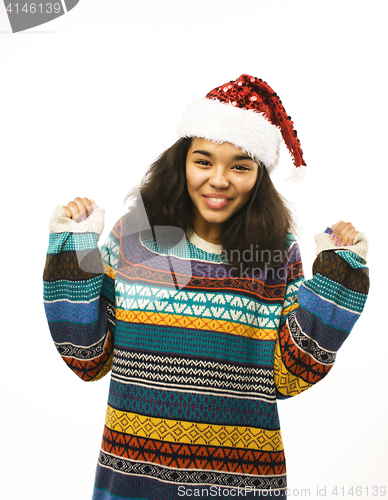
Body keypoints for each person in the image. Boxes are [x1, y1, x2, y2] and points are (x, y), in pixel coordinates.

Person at [43, 75, 369, 500]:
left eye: (240, 166)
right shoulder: (134, 236)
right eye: (203, 161)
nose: (219, 180)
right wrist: (75, 245)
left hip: (243, 483)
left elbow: (290, 377)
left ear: (259, 175)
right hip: (133, 482)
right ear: (181, 162)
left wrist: (336, 278)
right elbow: (85, 355)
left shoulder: (275, 253)